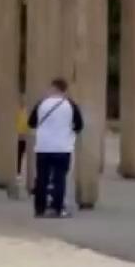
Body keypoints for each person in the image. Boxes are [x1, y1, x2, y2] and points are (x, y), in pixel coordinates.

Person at [27, 77, 84, 219]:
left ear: (52, 88)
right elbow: (79, 125)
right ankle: (56, 209)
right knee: (59, 179)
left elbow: (31, 123)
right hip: (62, 147)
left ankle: (40, 209)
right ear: (65, 90)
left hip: (43, 146)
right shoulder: (70, 104)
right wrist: (68, 130)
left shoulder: (41, 103)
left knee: (42, 178)